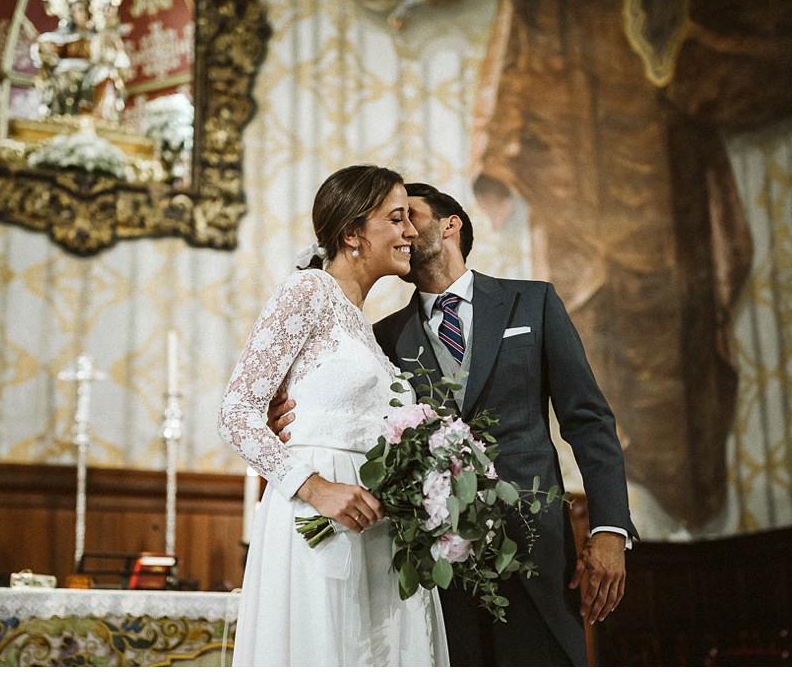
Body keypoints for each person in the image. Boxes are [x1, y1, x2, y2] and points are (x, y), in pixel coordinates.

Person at [268, 182, 637, 666]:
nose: (401, 230)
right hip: (432, 560)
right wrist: (291, 416)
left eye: (409, 216)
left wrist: (609, 529)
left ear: (450, 225)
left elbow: (588, 422)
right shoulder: (382, 338)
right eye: (392, 219)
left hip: (534, 543)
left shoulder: (533, 304)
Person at [217, 166, 450, 667]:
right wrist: (316, 487)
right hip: (318, 516)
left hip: (372, 524)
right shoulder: (308, 292)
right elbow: (236, 413)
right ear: (352, 234)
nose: (411, 231)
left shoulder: (362, 324)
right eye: (397, 218)